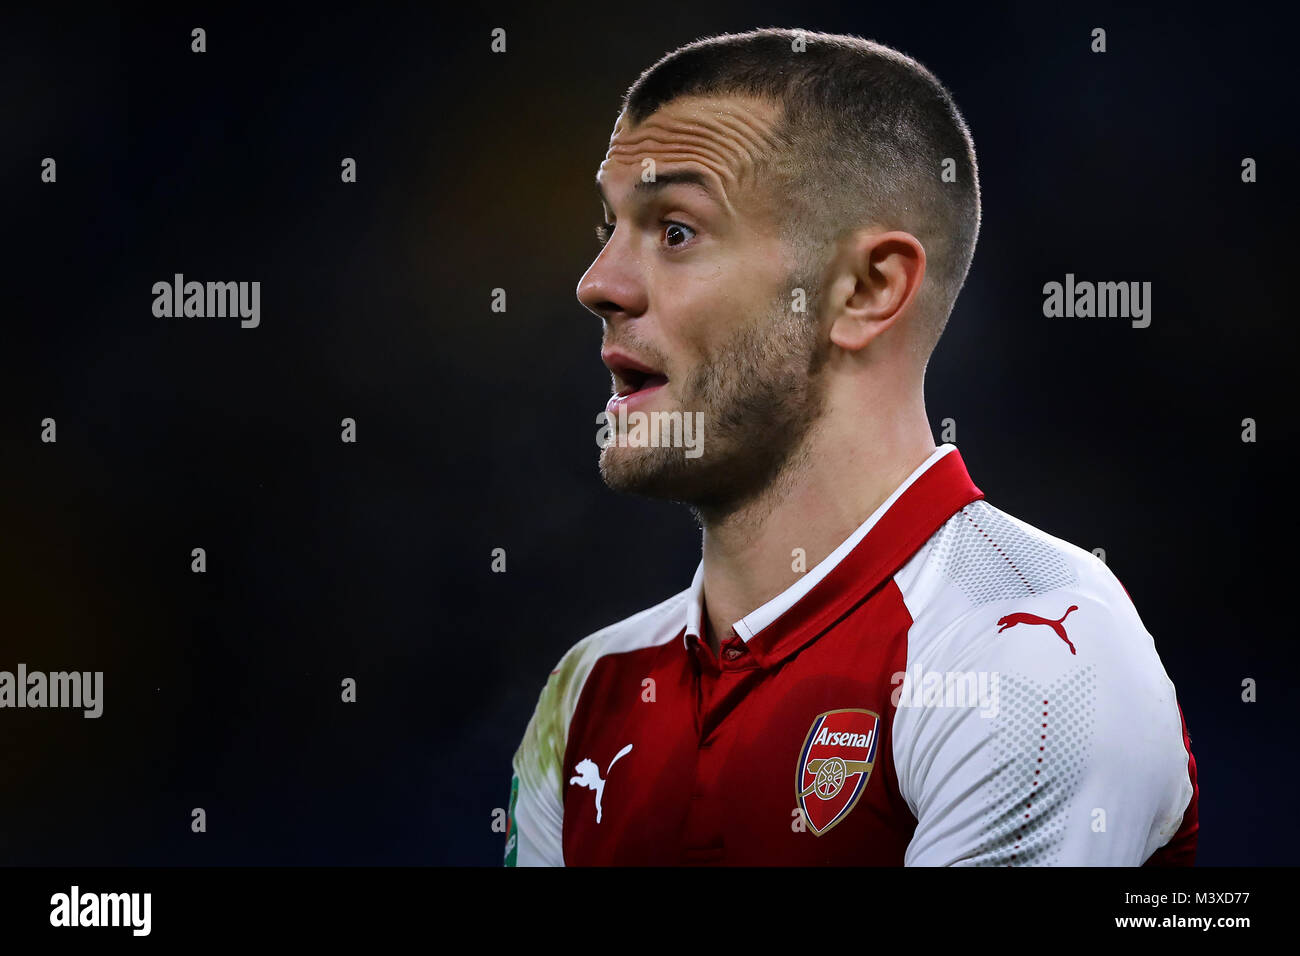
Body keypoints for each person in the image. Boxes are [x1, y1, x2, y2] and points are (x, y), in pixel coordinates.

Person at [504, 27, 1197, 866]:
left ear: (866, 290)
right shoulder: (586, 693)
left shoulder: (1032, 651)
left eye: (675, 229)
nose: (598, 283)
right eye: (611, 226)